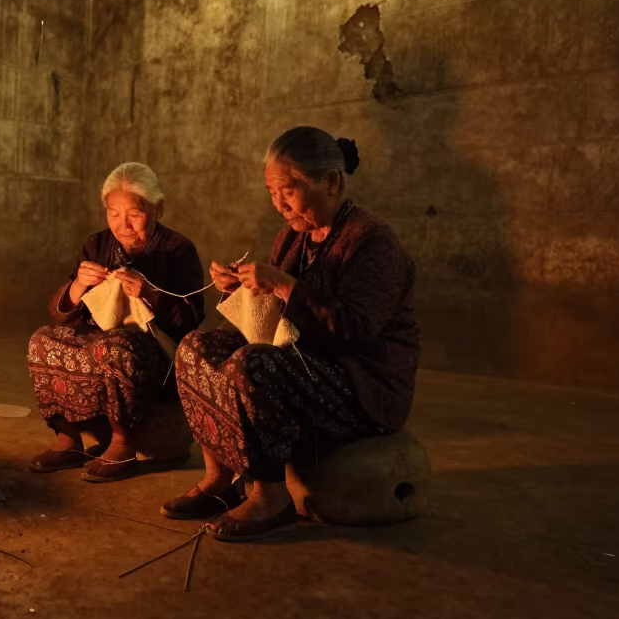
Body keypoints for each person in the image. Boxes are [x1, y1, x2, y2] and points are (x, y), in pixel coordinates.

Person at [163, 126, 419, 541]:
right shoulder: (292, 237)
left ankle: (270, 496)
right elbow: (276, 316)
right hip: (306, 362)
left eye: (289, 189)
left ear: (330, 182)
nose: (278, 203)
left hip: (364, 384)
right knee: (196, 346)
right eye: (271, 190)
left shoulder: (373, 242)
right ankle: (220, 479)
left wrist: (283, 284)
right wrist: (245, 285)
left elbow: (357, 329)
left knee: (254, 363)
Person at [27, 162, 206, 482]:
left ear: (157, 208)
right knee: (44, 339)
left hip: (156, 355)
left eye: (134, 214)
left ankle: (123, 443)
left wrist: (151, 295)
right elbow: (63, 313)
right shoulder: (97, 245)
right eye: (113, 214)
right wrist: (80, 285)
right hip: (102, 344)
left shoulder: (178, 249)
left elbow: (191, 319)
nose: (122, 225)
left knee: (116, 346)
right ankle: (69, 438)